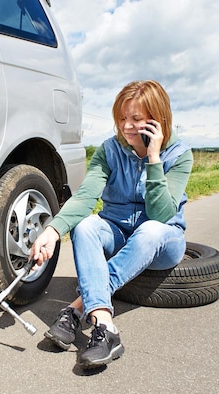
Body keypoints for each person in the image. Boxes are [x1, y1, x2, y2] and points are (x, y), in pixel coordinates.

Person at [29, 80, 193, 368]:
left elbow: (161, 214)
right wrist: (53, 231)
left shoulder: (179, 155)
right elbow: (86, 196)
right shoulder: (109, 151)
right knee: (86, 226)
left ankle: (77, 309)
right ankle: (105, 326)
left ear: (158, 119)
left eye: (136, 119)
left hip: (163, 241)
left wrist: (154, 159)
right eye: (122, 118)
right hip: (117, 233)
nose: (127, 126)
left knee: (149, 229)